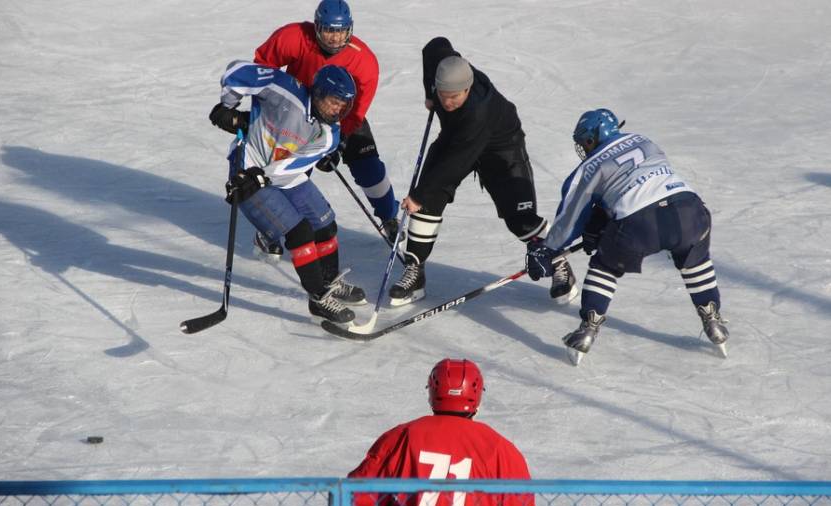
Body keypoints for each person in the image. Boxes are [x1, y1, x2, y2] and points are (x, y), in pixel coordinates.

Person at [525, 108, 730, 365]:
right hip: (689, 208)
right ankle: (713, 320)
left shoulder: (587, 168)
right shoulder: (644, 141)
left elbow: (570, 219)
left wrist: (548, 249)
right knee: (694, 260)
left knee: (605, 267)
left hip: (638, 222)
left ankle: (587, 329)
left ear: (591, 138)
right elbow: (641, 180)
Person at [388, 37, 577, 307]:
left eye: (454, 97)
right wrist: (430, 95)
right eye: (443, 94)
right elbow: (435, 46)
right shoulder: (445, 70)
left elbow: (455, 163)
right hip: (456, 139)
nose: (448, 101)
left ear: (468, 88)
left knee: (520, 218)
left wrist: (418, 194)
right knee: (427, 203)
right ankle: (415, 272)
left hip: (501, 149)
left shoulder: (479, 109)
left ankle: (557, 258)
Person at [208, 60, 367, 325]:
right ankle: (319, 298)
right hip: (246, 170)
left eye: (343, 104)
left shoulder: (330, 134)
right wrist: (228, 106)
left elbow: (294, 165)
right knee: (300, 233)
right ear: (317, 93)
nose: (337, 109)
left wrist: (261, 177)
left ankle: (328, 280)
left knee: (325, 224)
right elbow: (236, 71)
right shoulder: (284, 89)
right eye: (333, 101)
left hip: (275, 176)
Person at [251, 0, 400, 261]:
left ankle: (389, 216)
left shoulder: (364, 61)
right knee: (285, 175)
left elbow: (356, 111)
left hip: (340, 117)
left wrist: (338, 143)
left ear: (349, 29)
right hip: (297, 116)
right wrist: (267, 109)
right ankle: (270, 229)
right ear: (317, 27)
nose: (335, 37)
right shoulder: (294, 37)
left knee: (370, 169)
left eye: (341, 31)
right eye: (329, 30)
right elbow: (262, 68)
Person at [348, 359, 537, 506]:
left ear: (432, 392)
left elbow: (358, 501)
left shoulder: (402, 436)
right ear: (477, 396)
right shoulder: (500, 449)